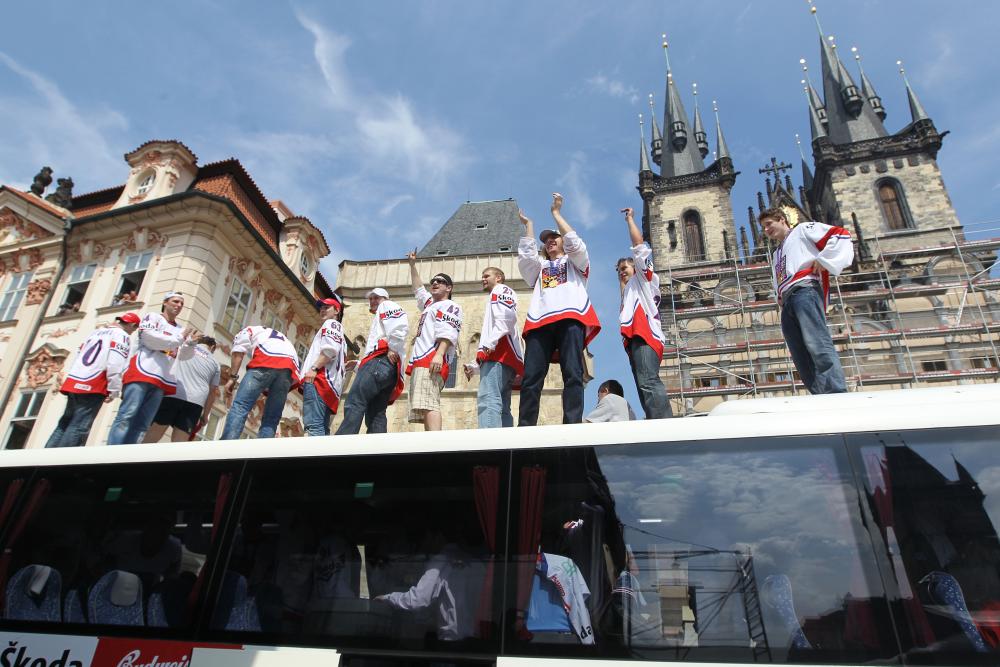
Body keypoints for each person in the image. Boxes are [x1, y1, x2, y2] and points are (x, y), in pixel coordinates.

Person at [517, 193, 601, 425]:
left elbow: (575, 243)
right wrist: (530, 227)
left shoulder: (576, 264)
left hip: (569, 318)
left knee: (573, 373)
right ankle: (525, 426)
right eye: (547, 240)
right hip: (540, 321)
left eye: (555, 237)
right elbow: (525, 259)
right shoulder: (541, 267)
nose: (550, 241)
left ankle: (572, 424)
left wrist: (556, 214)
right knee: (532, 376)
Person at [759, 206, 853, 394]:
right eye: (763, 227)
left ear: (782, 220)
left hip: (804, 291)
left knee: (817, 342)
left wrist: (824, 259)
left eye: (769, 224)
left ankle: (836, 391)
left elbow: (840, 234)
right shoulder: (776, 253)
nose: (766, 230)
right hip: (787, 301)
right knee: (799, 352)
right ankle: (818, 392)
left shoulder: (802, 230)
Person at [374, 528, 487, 642]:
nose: (425, 543)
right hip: (477, 642)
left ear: (437, 536)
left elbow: (419, 600)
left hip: (452, 644)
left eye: (427, 537)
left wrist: (387, 598)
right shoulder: (477, 564)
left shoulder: (441, 561)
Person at [45, 313, 140, 448]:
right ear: (131, 325)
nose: (132, 332)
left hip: (75, 380)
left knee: (64, 423)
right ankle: (63, 462)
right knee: (79, 426)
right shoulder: (122, 336)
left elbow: (78, 355)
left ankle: (45, 459)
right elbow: (115, 364)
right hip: (94, 383)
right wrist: (114, 390)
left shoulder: (96, 332)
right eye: (134, 329)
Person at [107, 292, 190, 445]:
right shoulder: (152, 317)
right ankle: (112, 451)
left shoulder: (180, 328)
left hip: (162, 379)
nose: (179, 305)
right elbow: (150, 339)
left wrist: (190, 345)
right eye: (175, 301)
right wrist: (177, 340)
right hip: (142, 372)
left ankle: (129, 457)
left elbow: (182, 356)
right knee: (127, 415)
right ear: (165, 302)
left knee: (144, 423)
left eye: (181, 303)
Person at [617, 207, 671, 419]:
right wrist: (621, 280)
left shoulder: (644, 279)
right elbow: (623, 292)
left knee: (648, 381)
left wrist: (629, 220)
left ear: (636, 267)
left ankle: (662, 423)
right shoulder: (629, 291)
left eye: (625, 267)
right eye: (619, 269)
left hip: (645, 333)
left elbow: (639, 247)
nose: (622, 271)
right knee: (642, 383)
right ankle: (652, 418)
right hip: (635, 336)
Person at [334, 288, 408, 435]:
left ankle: (343, 442)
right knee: (376, 412)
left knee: (355, 401)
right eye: (371, 298)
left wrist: (392, 347)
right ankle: (378, 450)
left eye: (377, 298)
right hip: (386, 368)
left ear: (385, 298)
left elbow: (400, 326)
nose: (373, 301)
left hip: (379, 361)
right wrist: (358, 365)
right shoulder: (381, 314)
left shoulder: (387, 306)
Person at [405, 251, 462, 431]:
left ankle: (435, 443)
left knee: (430, 403)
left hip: (431, 358)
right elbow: (418, 290)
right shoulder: (431, 304)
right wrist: (412, 265)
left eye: (441, 281)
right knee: (424, 405)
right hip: (423, 361)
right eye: (433, 281)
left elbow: (448, 331)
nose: (435, 283)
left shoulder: (449, 306)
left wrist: (439, 355)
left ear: (449, 288)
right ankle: (429, 442)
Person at [464, 267, 523, 428]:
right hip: (504, 357)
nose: (483, 279)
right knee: (502, 404)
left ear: (498, 278)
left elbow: (505, 319)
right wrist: (475, 366)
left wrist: (489, 345)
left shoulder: (501, 289)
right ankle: (504, 446)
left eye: (486, 276)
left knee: (488, 399)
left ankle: (489, 446)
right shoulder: (498, 293)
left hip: (500, 355)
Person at [220, 325, 300, 439]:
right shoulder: (271, 334)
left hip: (266, 360)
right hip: (289, 368)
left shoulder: (247, 331)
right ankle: (262, 452)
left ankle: (227, 444)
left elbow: (238, 352)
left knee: (241, 406)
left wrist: (232, 378)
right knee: (272, 417)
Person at [143, 335, 221, 443]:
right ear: (212, 347)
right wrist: (205, 415)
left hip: (174, 394)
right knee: (179, 442)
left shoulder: (185, 347)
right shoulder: (216, 363)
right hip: (195, 402)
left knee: (153, 435)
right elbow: (213, 391)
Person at [301, 295, 348, 436]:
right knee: (322, 429)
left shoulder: (332, 324)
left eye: (327, 307)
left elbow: (330, 350)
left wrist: (314, 368)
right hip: (331, 387)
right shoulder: (342, 336)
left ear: (336, 311)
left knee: (313, 427)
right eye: (321, 307)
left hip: (320, 380)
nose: (322, 310)